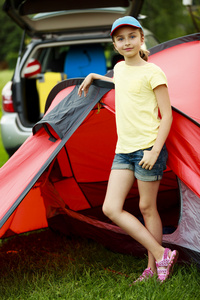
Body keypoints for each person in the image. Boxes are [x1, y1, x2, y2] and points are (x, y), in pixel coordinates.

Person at [78, 16, 178, 283]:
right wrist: (94, 76)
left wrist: (155, 152)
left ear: (141, 38)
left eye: (131, 36)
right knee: (111, 207)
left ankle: (152, 268)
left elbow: (166, 116)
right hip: (123, 150)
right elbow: (119, 82)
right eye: (120, 39)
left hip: (148, 149)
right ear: (115, 44)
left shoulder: (154, 72)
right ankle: (161, 253)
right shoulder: (120, 69)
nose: (127, 42)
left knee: (147, 207)